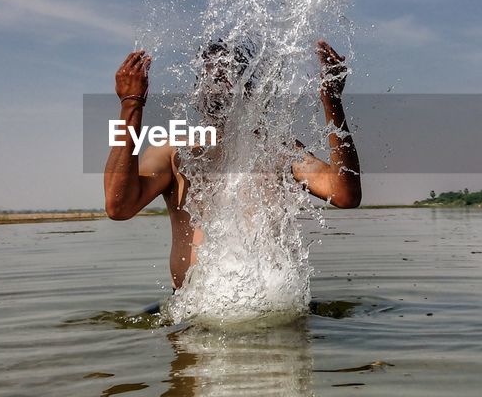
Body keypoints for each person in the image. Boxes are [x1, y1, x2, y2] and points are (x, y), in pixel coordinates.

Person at [103, 40, 362, 289]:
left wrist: (332, 101)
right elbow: (118, 205)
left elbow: (345, 194)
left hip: (274, 312)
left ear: (248, 89)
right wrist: (130, 105)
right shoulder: (174, 151)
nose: (214, 83)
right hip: (193, 314)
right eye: (207, 77)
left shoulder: (277, 149)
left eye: (225, 75)